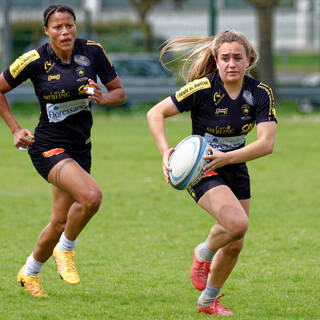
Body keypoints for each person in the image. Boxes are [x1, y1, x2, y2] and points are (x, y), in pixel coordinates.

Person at [147, 30, 277, 316]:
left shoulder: (259, 94)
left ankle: (207, 302)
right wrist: (165, 152)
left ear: (249, 60)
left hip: (233, 166)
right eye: (225, 58)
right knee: (237, 225)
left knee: (235, 243)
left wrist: (227, 158)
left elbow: (266, 144)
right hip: (202, 167)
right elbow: (155, 113)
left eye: (237, 58)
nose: (231, 63)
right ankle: (203, 254)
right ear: (216, 61)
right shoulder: (201, 89)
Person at [0, 4, 126, 297]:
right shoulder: (33, 59)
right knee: (92, 197)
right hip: (47, 147)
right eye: (57, 27)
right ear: (47, 31)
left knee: (59, 220)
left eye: (69, 25)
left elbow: (119, 93)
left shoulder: (93, 52)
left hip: (80, 148)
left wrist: (103, 98)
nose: (65, 31)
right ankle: (65, 250)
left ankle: (29, 273)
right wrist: (15, 129)